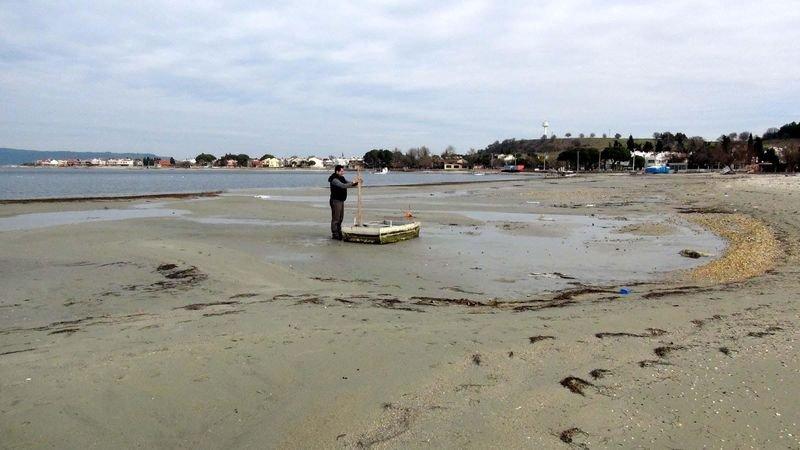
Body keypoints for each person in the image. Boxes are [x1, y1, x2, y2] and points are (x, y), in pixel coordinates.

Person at [328, 165, 360, 240]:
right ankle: (335, 234)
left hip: (341, 200)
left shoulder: (341, 178)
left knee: (341, 217)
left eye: (343, 171)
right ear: (337, 171)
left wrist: (356, 183)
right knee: (336, 218)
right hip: (335, 201)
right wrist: (353, 182)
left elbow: (348, 183)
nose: (343, 172)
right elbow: (343, 186)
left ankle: (339, 232)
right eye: (342, 171)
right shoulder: (334, 179)